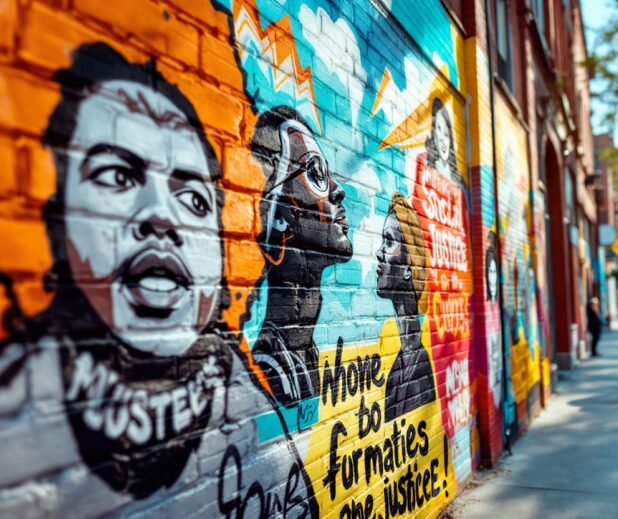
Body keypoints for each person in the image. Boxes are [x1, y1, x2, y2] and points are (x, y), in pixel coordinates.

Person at [0, 43, 317, 517]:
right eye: (117, 176)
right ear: (55, 221)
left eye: (192, 198)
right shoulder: (20, 413)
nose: (161, 218)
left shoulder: (240, 392)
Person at [247, 105, 353, 412]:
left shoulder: (305, 356)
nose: (339, 190)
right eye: (317, 173)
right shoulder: (268, 376)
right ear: (279, 222)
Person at [376, 193, 436, 421]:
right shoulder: (399, 369)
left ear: (409, 268)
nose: (378, 252)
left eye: (389, 242)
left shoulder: (417, 367)